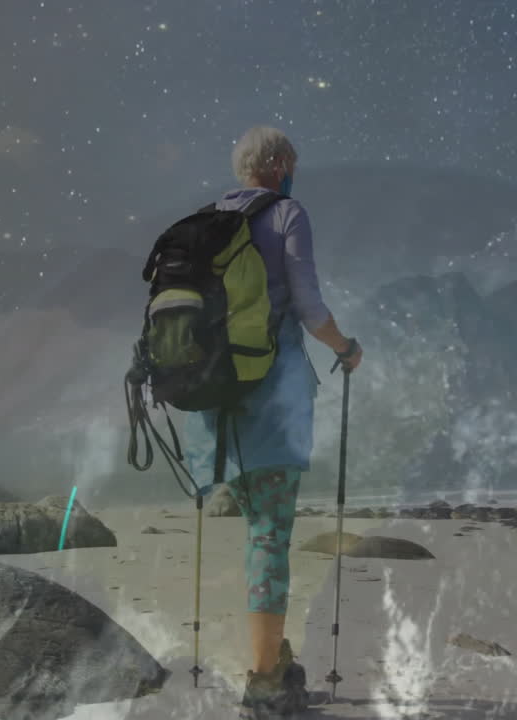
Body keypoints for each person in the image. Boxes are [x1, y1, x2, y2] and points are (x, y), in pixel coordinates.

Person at [202, 126, 363, 711]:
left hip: (216, 405)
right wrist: (345, 348)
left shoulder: (208, 220)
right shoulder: (287, 213)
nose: (295, 172)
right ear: (278, 165)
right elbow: (309, 306)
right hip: (273, 400)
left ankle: (274, 658)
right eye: (292, 163)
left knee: (258, 531)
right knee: (270, 537)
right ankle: (266, 681)